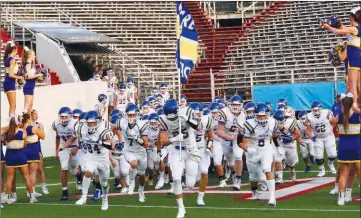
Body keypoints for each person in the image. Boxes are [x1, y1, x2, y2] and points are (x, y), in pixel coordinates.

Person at [156, 99, 200, 218]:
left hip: (190, 149)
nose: (171, 119)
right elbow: (163, 141)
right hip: (176, 149)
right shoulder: (163, 119)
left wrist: (186, 118)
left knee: (190, 183)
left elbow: (198, 127)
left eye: (173, 116)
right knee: (176, 179)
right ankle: (181, 208)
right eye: (168, 116)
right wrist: (175, 139)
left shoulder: (187, 112)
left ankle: (191, 180)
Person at [70, 110, 115, 210]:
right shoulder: (82, 128)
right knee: (88, 172)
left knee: (104, 183)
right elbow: (79, 139)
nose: (91, 125)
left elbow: (112, 146)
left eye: (93, 122)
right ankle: (84, 197)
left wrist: (99, 141)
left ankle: (105, 199)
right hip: (91, 156)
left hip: (103, 159)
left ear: (98, 122)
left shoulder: (103, 129)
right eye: (89, 123)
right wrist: (78, 146)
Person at [322, 7, 361, 112]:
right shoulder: (355, 29)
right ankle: (358, 103)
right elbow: (343, 28)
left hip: (354, 58)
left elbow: (337, 32)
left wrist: (327, 27)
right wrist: (337, 23)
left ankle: (355, 105)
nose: (349, 18)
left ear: (353, 17)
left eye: (350, 16)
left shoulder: (355, 29)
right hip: (357, 57)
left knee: (353, 84)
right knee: (357, 84)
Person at [241, 103, 279, 207]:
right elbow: (242, 144)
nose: (262, 118)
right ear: (255, 115)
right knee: (254, 177)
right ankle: (254, 191)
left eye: (264, 115)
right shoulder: (249, 124)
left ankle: (272, 197)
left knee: (267, 169)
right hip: (253, 150)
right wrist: (249, 149)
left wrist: (271, 140)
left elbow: (277, 131)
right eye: (259, 115)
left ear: (268, 114)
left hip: (266, 148)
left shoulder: (273, 122)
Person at [330, 93, 360, 206]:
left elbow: (332, 123)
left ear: (342, 104)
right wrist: (355, 108)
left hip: (343, 148)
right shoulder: (358, 116)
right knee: (359, 173)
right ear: (352, 104)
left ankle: (341, 198)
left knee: (343, 174)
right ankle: (347, 195)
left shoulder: (338, 117)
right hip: (356, 148)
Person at [2, 115, 37, 204]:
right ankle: (32, 197)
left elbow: (4, 143)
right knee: (26, 177)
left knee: (10, 178)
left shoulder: (7, 133)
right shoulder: (23, 132)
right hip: (21, 156)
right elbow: (25, 145)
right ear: (18, 123)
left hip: (10, 157)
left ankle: (7, 197)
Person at [118, 104, 150, 202]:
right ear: (126, 115)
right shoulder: (121, 122)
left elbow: (145, 143)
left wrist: (136, 138)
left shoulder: (142, 124)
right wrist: (120, 138)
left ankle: (141, 191)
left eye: (133, 115)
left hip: (141, 152)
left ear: (137, 115)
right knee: (133, 163)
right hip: (129, 150)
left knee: (141, 175)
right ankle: (131, 182)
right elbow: (114, 128)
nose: (131, 117)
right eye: (129, 115)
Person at [216, 95, 246, 191]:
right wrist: (230, 137)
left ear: (241, 105)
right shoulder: (224, 113)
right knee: (230, 163)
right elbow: (219, 131)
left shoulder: (245, 114)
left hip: (238, 137)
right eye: (233, 104)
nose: (235, 106)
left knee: (238, 156)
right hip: (225, 138)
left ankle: (238, 179)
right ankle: (233, 172)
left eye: (237, 105)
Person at [53, 107, 79, 200]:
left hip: (74, 147)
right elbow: (57, 137)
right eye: (62, 117)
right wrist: (56, 150)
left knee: (74, 170)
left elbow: (80, 137)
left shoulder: (75, 124)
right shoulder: (56, 124)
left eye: (65, 117)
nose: (63, 119)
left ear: (70, 116)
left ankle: (78, 176)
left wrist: (77, 147)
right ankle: (64, 191)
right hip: (63, 147)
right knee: (64, 168)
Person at [306, 101, 337, 177]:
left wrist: (332, 128)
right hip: (317, 137)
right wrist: (311, 136)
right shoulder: (309, 116)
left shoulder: (327, 112)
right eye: (314, 110)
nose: (315, 112)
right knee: (318, 156)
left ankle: (330, 163)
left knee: (333, 154)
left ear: (320, 109)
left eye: (317, 110)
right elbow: (308, 129)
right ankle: (321, 169)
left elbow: (334, 122)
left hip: (328, 135)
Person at [273, 110, 301, 182]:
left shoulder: (290, 122)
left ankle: (292, 169)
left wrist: (290, 138)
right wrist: (275, 136)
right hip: (280, 143)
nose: (278, 124)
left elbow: (297, 134)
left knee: (291, 162)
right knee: (277, 159)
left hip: (290, 144)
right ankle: (279, 178)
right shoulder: (272, 123)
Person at [23, 113, 45, 198]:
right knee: (33, 173)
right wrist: (41, 129)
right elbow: (43, 137)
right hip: (33, 151)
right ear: (28, 120)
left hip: (24, 151)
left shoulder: (21, 128)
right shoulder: (33, 128)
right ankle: (32, 191)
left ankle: (29, 191)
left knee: (27, 174)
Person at [30, 109, 49, 194]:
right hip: (29, 148)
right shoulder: (28, 125)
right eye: (34, 114)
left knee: (40, 169)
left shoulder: (39, 124)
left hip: (37, 147)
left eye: (36, 114)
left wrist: (40, 129)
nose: (36, 115)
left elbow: (42, 136)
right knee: (31, 171)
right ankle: (31, 190)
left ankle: (43, 186)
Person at [3, 41, 23, 117]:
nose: (17, 53)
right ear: (13, 50)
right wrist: (20, 77)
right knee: (13, 105)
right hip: (10, 82)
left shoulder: (7, 59)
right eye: (16, 51)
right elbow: (11, 74)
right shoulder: (12, 60)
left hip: (7, 82)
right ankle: (12, 123)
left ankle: (11, 122)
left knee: (12, 105)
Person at [209, 102, 227, 187]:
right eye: (213, 112)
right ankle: (222, 180)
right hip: (216, 141)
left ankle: (234, 174)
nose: (214, 114)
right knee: (216, 162)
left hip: (226, 141)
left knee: (231, 162)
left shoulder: (226, 117)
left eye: (216, 112)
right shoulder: (207, 119)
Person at [22, 47, 42, 114]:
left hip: (30, 86)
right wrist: (38, 75)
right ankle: (23, 119)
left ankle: (27, 121)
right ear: (29, 55)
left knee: (30, 106)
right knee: (27, 107)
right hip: (28, 86)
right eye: (34, 55)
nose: (35, 56)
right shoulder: (28, 64)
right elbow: (29, 76)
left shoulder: (29, 64)